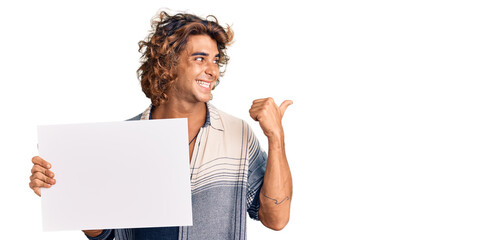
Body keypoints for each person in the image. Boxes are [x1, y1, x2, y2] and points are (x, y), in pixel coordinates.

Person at [29, 11, 292, 240]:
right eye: (200, 58)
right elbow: (109, 235)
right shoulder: (123, 140)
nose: (213, 70)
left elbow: (275, 219)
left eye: (215, 60)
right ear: (168, 63)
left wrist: (276, 138)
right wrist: (63, 192)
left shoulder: (239, 134)